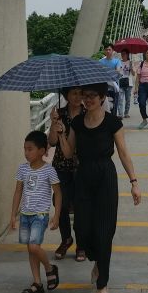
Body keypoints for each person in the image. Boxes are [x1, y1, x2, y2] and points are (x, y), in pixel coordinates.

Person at [50, 82, 142, 293]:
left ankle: (102, 283)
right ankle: (98, 261)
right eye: (85, 95)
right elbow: (69, 152)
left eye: (93, 96)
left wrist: (134, 182)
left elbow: (123, 153)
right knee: (82, 227)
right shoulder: (79, 122)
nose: (88, 99)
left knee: (104, 231)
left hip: (105, 177)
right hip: (83, 176)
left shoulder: (112, 122)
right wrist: (61, 132)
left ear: (102, 98)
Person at [10, 130, 62, 293]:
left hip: (40, 215)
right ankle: (37, 283)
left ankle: (49, 268)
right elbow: (18, 192)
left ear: (41, 151)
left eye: (30, 149)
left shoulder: (49, 171)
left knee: (34, 246)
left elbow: (58, 193)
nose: (26, 152)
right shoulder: (22, 169)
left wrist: (57, 215)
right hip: (25, 215)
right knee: (31, 250)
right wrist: (13, 214)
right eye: (24, 149)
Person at [49, 86, 85, 261]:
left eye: (80, 93)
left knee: (80, 206)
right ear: (66, 95)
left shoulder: (87, 113)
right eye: (74, 93)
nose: (78, 97)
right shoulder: (59, 114)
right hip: (61, 165)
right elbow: (52, 142)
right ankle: (66, 239)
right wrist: (53, 124)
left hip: (81, 166)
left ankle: (81, 244)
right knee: (60, 204)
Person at [99, 46, 123, 113]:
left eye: (109, 49)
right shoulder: (100, 61)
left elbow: (118, 71)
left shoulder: (117, 61)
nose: (108, 51)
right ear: (104, 51)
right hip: (103, 86)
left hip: (113, 87)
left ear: (113, 51)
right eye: (106, 49)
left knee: (113, 105)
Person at [117, 50, 133, 118]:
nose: (122, 55)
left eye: (124, 54)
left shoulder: (130, 62)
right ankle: (120, 114)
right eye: (121, 54)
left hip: (128, 83)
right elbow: (117, 72)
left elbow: (134, 74)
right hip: (120, 81)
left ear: (127, 55)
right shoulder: (118, 62)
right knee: (120, 99)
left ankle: (126, 113)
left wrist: (131, 67)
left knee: (128, 99)